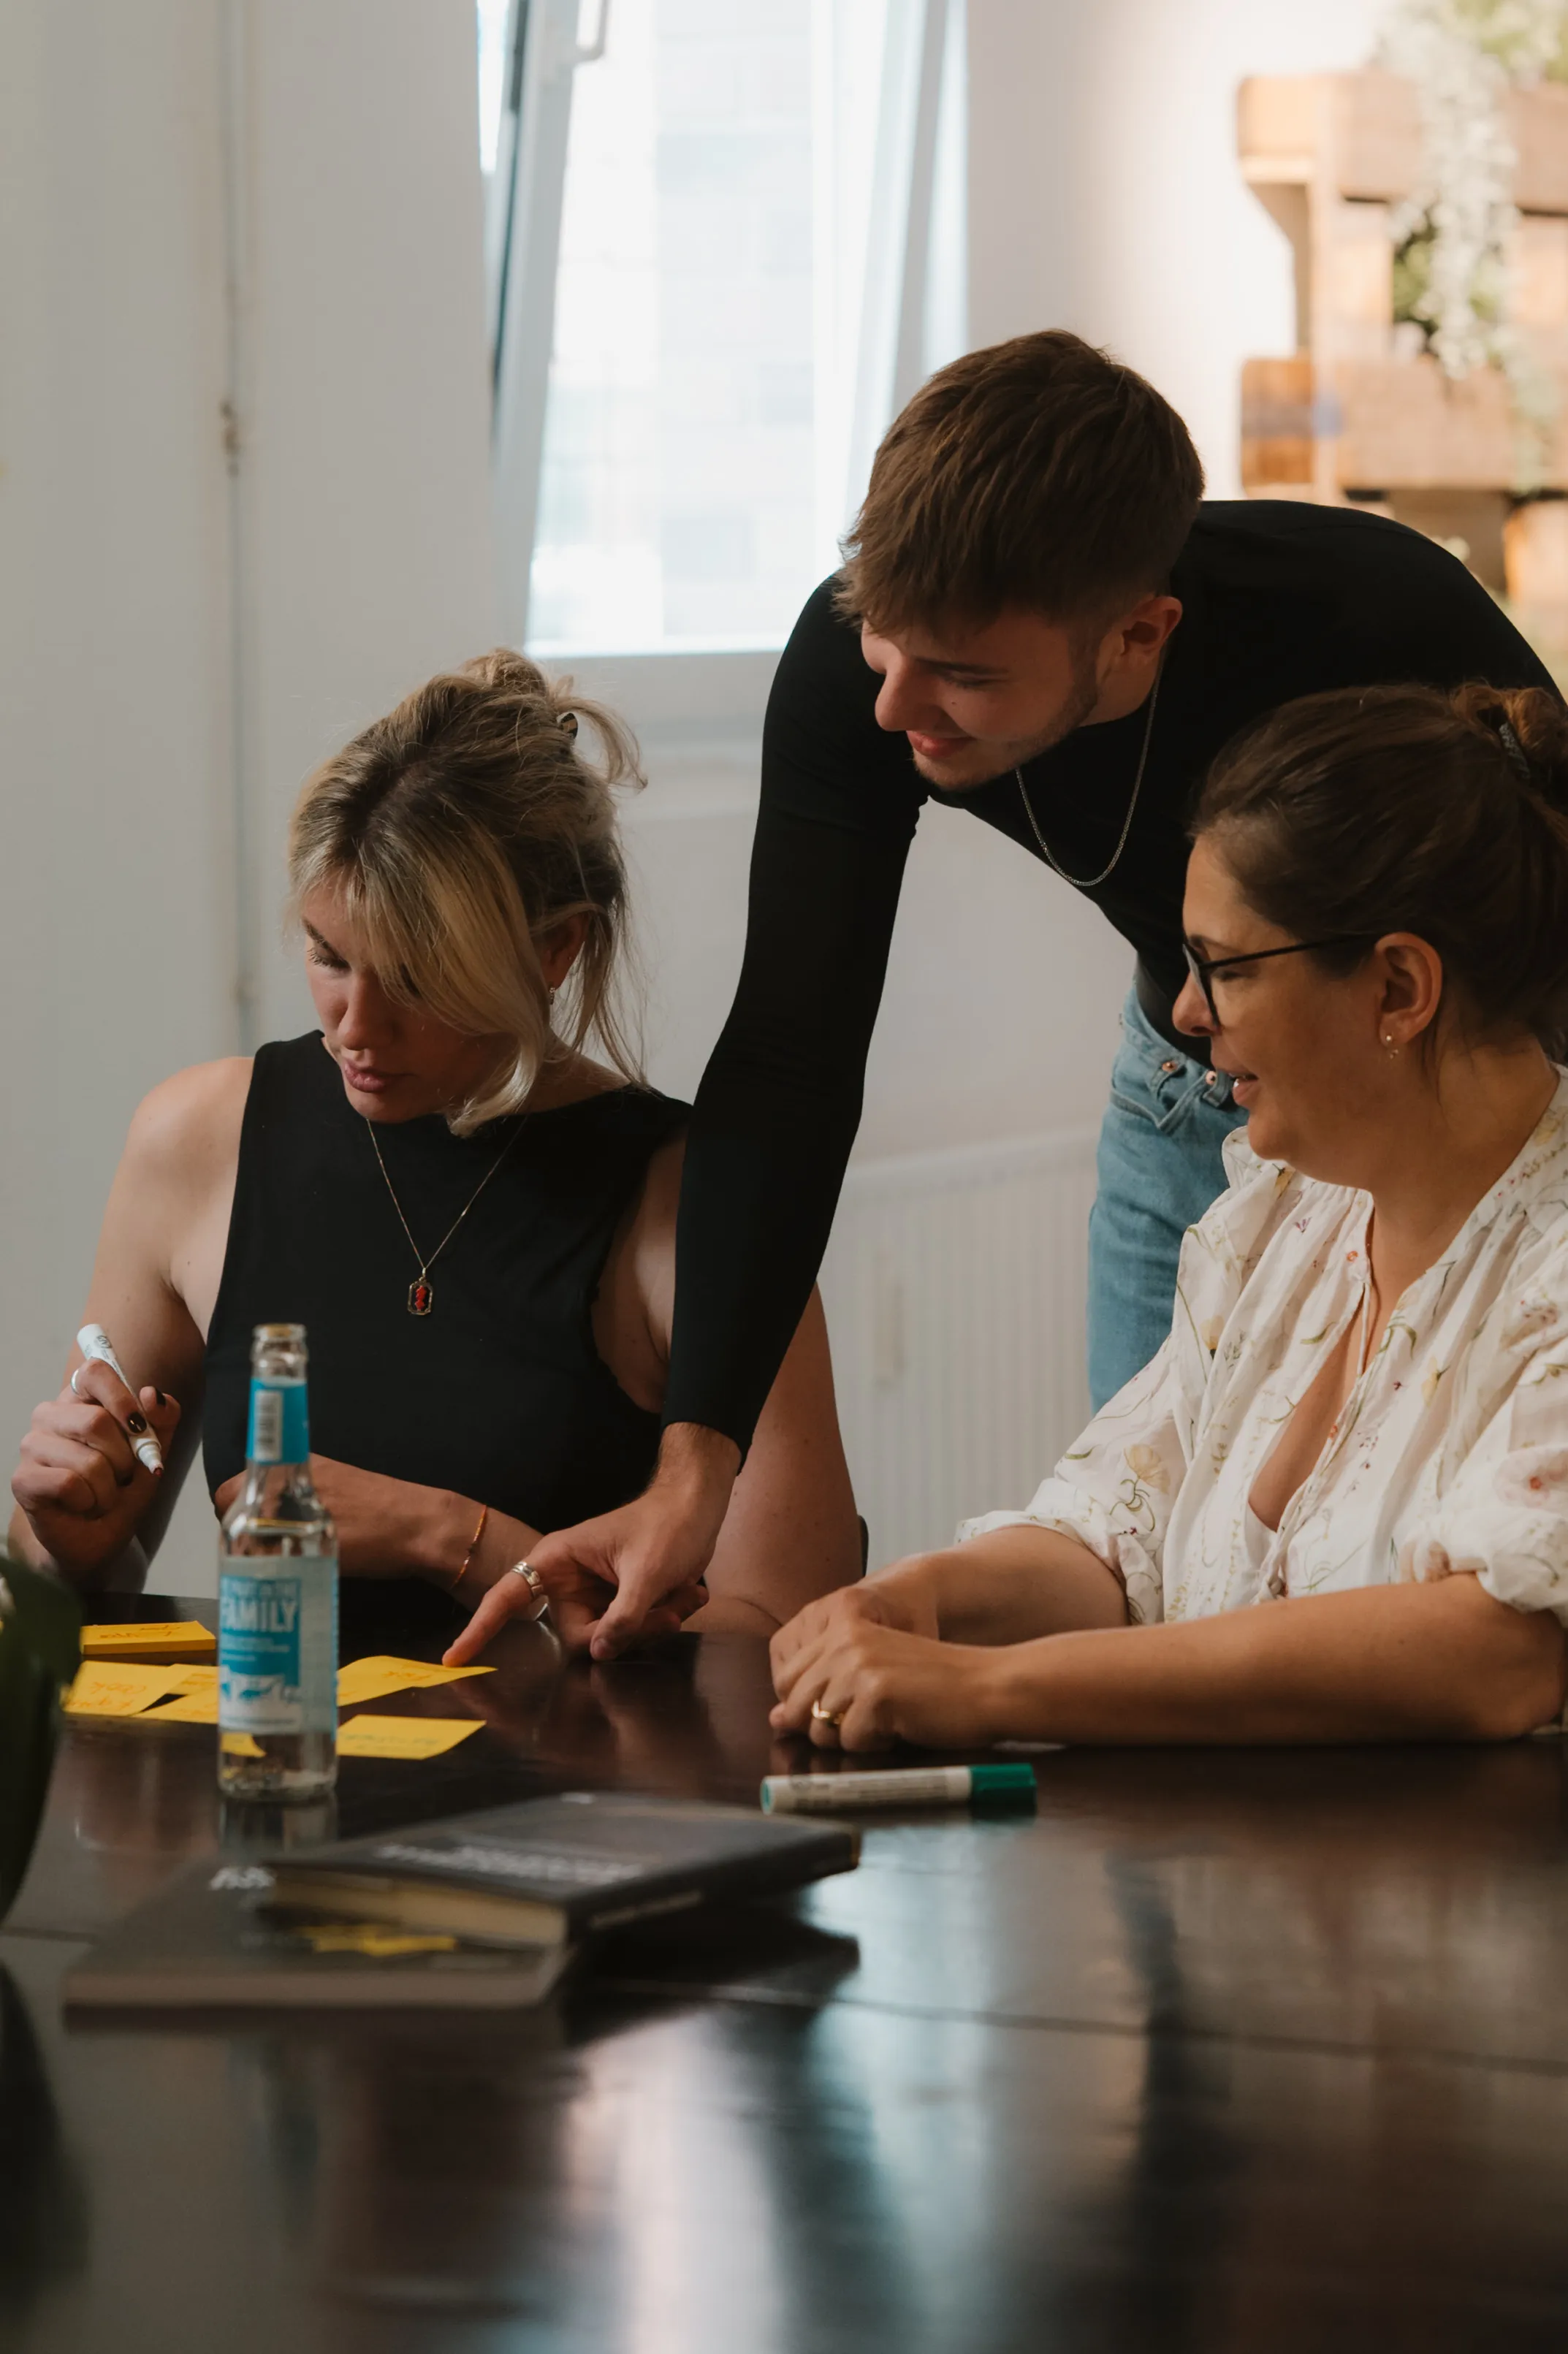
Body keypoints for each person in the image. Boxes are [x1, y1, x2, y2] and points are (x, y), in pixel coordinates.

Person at [492, 330, 1560, 1662]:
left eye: (965, 679)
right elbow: (788, 1055)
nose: (895, 712)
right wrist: (693, 1465)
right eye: (884, 648)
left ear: (1137, 633)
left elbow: (1535, 941)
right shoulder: (865, 670)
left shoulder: (1365, 622)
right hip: (1192, 1074)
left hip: (1443, 1098)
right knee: (1167, 1547)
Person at [768, 682, 1568, 1751]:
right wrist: (921, 1599)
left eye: (1223, 968)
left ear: (1396, 988)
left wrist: (993, 1688)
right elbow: (1114, 1540)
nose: (1185, 1014)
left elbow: (1497, 1650)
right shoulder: (1282, 1217)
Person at [9, 652, 861, 1653]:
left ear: (555, 951)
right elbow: (52, 1599)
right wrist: (70, 1540)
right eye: (330, 955)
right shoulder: (198, 1140)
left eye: (414, 978)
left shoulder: (697, 1205)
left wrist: (446, 1537)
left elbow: (777, 1663)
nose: (353, 1028)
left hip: (568, 1806)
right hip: (275, 1780)